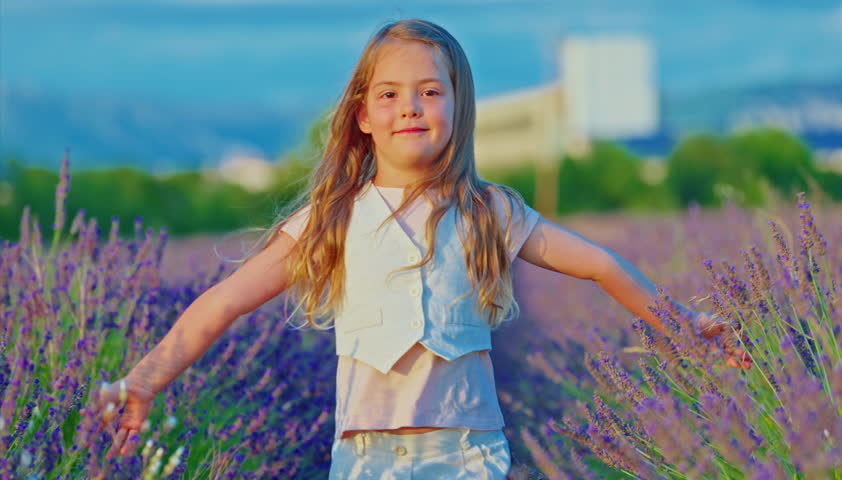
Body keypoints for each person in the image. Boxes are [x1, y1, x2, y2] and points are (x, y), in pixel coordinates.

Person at [91, 18, 751, 479]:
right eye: (390, 94)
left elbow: (602, 263)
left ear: (458, 108)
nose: (411, 107)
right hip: (366, 458)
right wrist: (143, 379)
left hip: (466, 453)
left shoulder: (488, 211)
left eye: (431, 91)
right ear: (363, 116)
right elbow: (222, 304)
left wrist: (682, 325)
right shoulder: (332, 220)